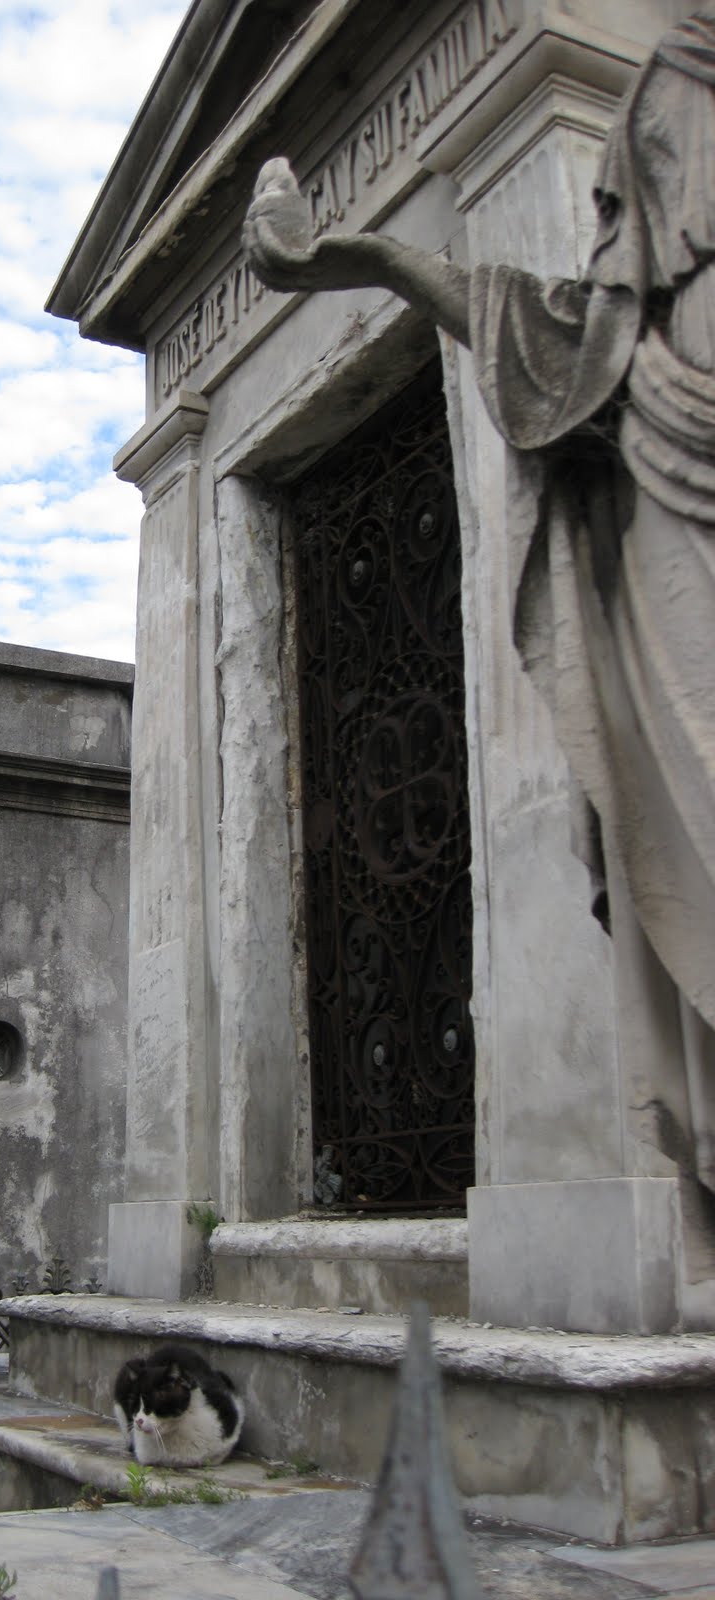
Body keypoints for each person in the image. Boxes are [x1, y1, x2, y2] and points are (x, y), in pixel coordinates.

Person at [243, 13, 715, 1194]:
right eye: (600, 207)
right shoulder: (646, 361)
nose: (609, 233)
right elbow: (559, 354)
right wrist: (374, 262)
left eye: (623, 201)